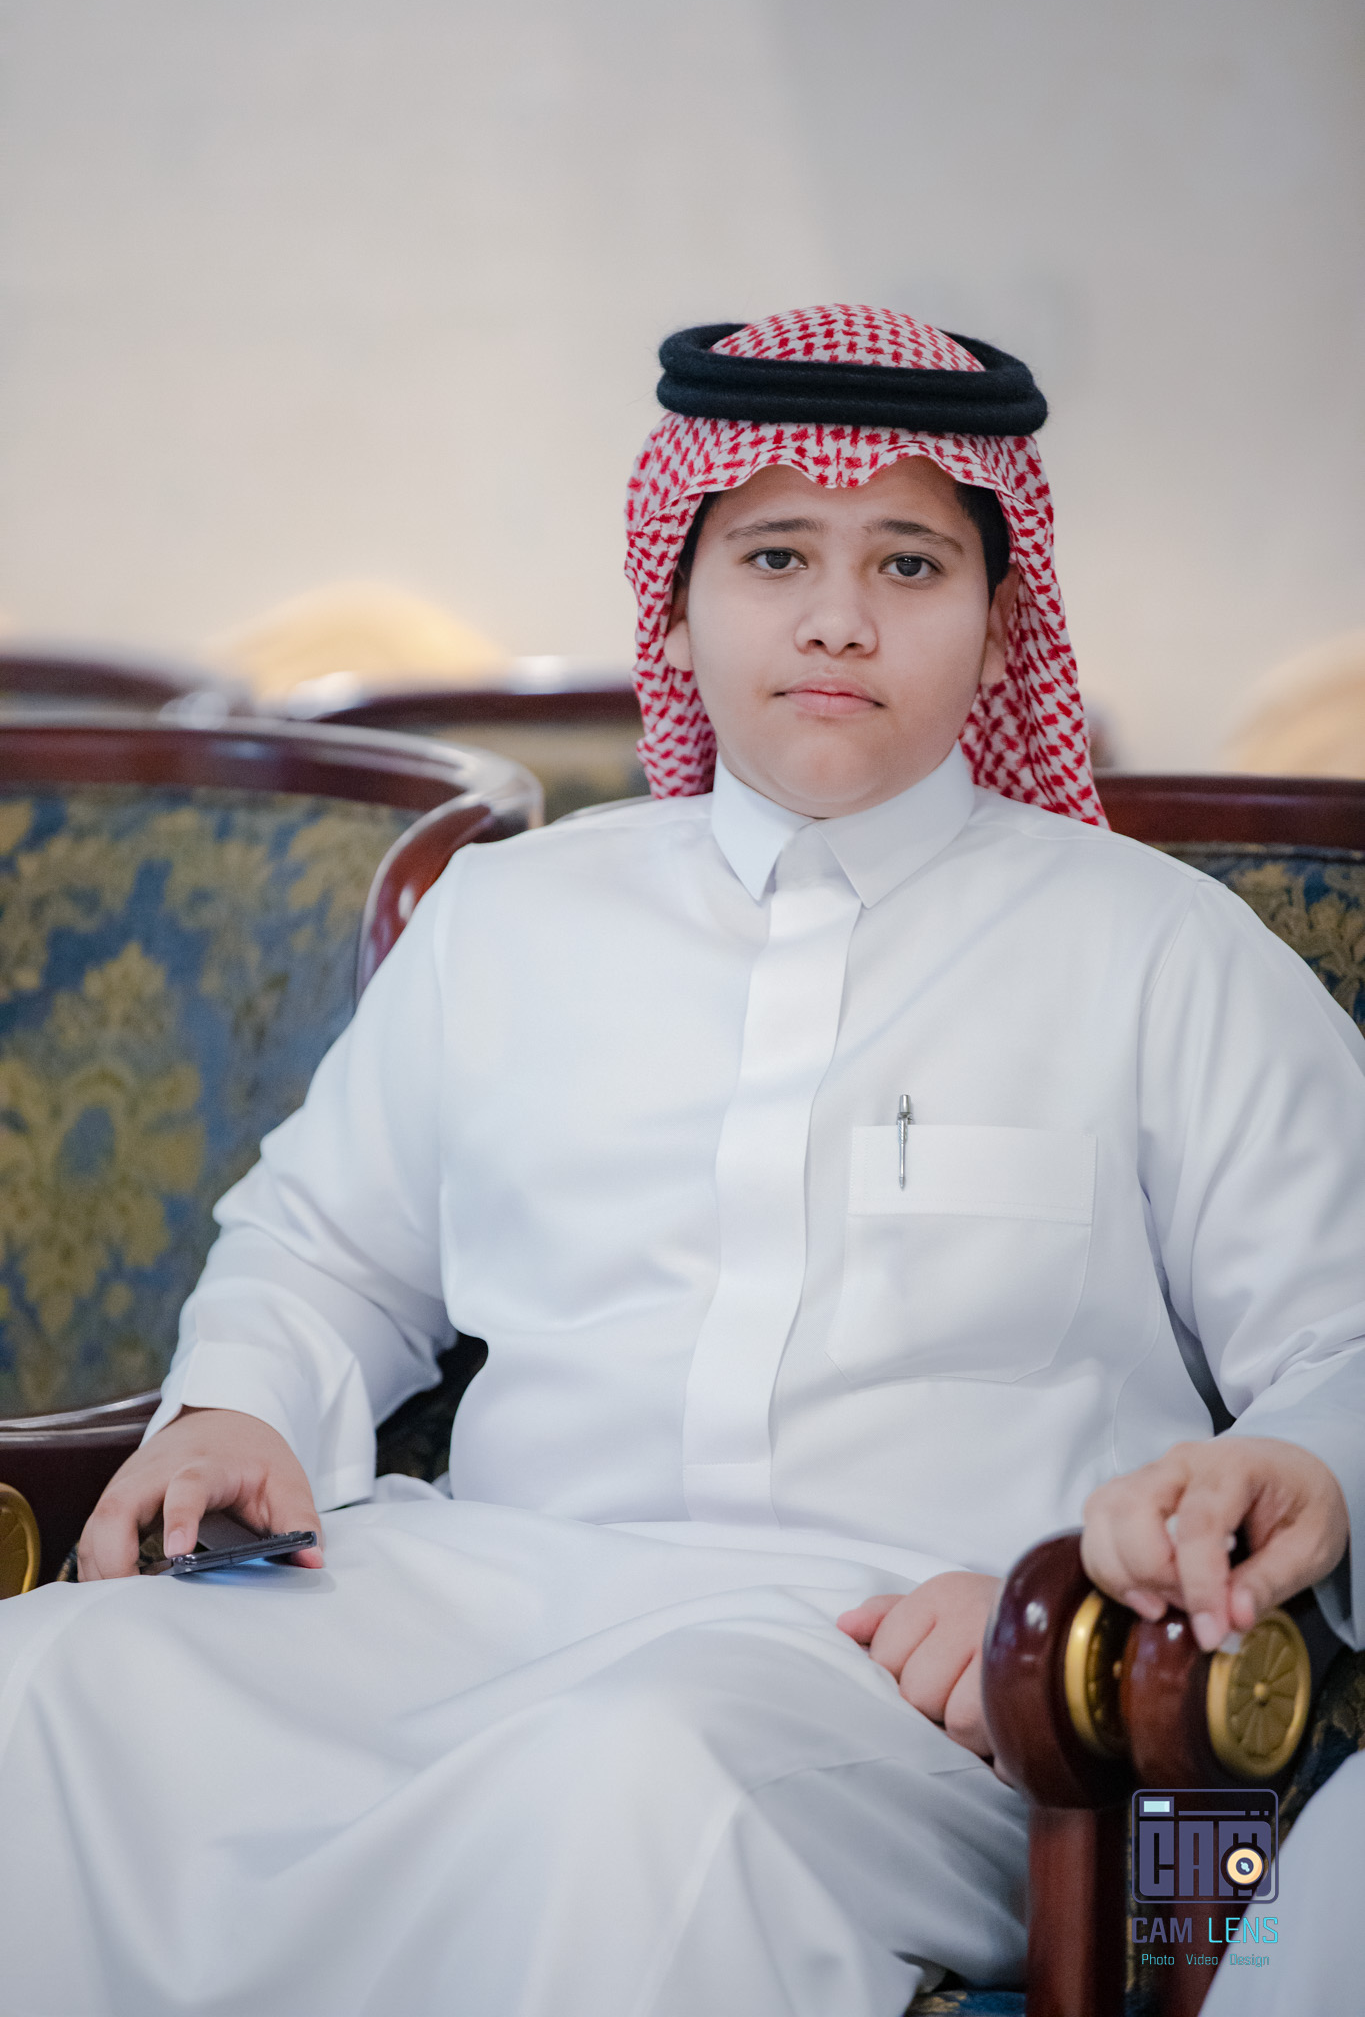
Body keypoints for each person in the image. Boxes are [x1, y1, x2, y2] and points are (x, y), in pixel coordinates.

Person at [1, 306, 1361, 2017]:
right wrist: (242, 1402)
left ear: (1003, 618)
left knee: (626, 1783)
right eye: (774, 555)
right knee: (48, 1691)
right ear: (675, 596)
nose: (837, 618)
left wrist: (1229, 1504)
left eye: (910, 564)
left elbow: (1344, 1340)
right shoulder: (511, 918)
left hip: (911, 1667)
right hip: (480, 1588)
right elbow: (325, 1248)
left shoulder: (1157, 952)